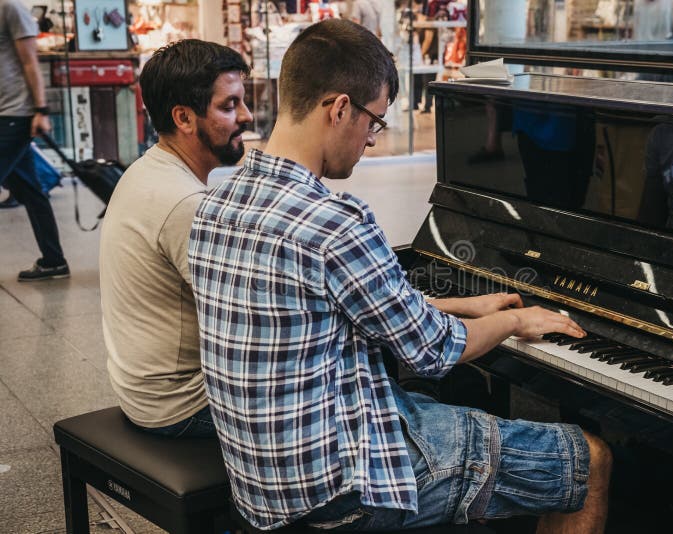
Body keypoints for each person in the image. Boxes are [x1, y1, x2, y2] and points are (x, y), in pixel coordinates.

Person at [189, 19, 611, 532]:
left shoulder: (216, 200)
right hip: (338, 491)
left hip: (262, 482)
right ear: (340, 108)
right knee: (588, 459)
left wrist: (463, 305)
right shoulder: (335, 222)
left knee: (443, 405)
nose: (370, 140)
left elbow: (353, 307)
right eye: (374, 122)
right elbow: (433, 351)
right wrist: (515, 323)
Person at [99, 39, 252, 438]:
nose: (247, 116)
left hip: (142, 393)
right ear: (184, 117)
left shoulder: (147, 169)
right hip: (182, 407)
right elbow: (249, 321)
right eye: (229, 105)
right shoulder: (185, 201)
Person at [1, 0, 69, 281]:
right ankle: (53, 261)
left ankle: (54, 260)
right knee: (30, 191)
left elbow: (30, 61)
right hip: (4, 113)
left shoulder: (10, 8)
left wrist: (40, 110)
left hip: (15, 114)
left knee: (30, 191)